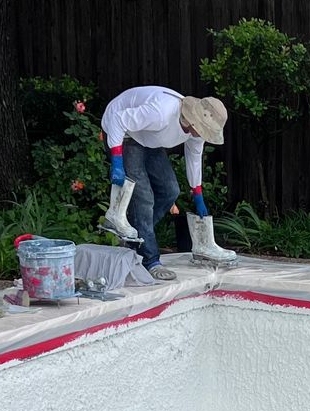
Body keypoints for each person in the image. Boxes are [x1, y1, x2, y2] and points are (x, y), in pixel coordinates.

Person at [98, 87, 237, 279]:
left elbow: (194, 158)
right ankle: (150, 260)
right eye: (203, 130)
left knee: (170, 190)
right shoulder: (161, 113)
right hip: (125, 133)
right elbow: (117, 120)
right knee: (144, 197)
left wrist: (197, 194)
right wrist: (117, 162)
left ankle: (136, 238)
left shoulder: (196, 131)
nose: (203, 135)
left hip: (149, 138)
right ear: (193, 121)